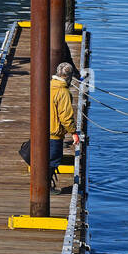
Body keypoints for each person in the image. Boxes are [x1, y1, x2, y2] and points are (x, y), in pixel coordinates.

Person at [48, 61, 78, 192]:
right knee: (53, 161)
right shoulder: (63, 92)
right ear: (69, 76)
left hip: (42, 130)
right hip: (54, 133)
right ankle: (47, 187)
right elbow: (65, 117)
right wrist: (73, 132)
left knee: (45, 158)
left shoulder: (49, 85)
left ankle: (45, 185)